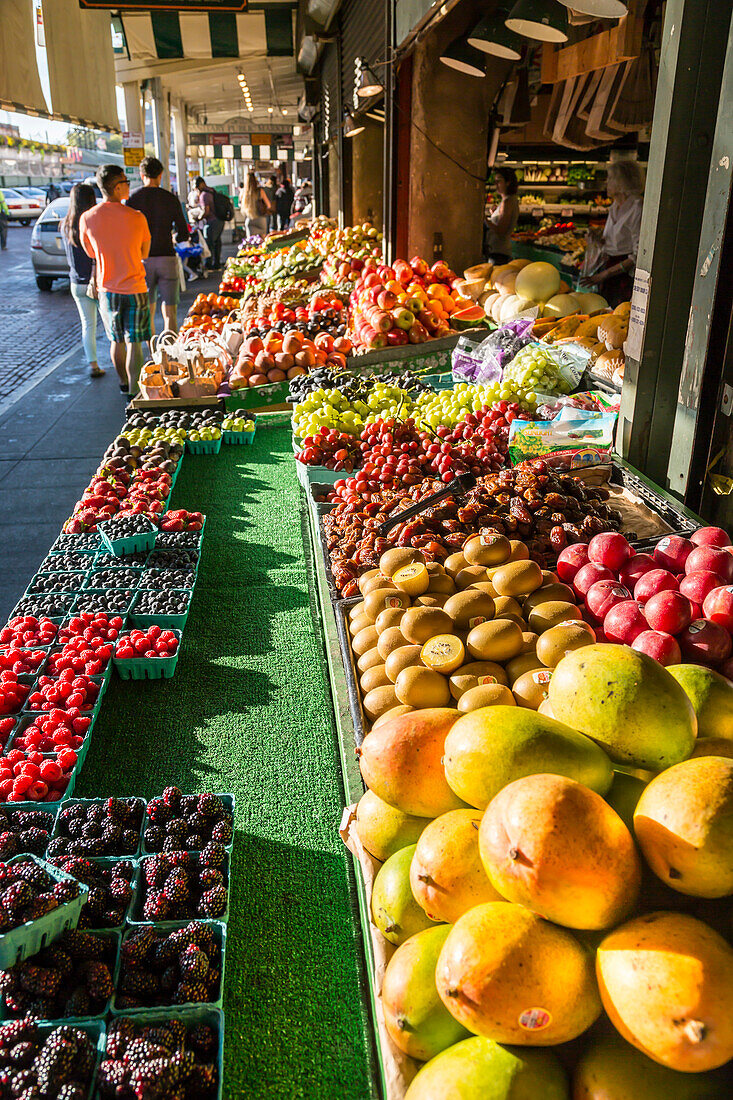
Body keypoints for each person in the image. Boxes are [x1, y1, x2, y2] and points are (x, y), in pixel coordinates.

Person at [80, 164, 151, 396]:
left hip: (107, 289)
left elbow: (90, 252)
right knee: (135, 343)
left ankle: (122, 382)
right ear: (118, 186)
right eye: (126, 182)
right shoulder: (137, 217)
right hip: (135, 288)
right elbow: (144, 253)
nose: (129, 186)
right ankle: (133, 391)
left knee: (116, 341)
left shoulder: (87, 218)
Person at [126, 155, 190, 334]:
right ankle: (170, 351)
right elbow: (183, 232)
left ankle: (153, 353)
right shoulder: (170, 198)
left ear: (141, 174)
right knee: (170, 310)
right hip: (167, 257)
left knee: (148, 309)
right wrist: (176, 239)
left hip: (142, 260)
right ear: (160, 175)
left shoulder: (133, 200)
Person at [584, 159, 644, 308]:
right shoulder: (615, 206)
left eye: (610, 178)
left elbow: (637, 255)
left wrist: (604, 275)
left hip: (624, 275)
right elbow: (614, 242)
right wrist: (596, 240)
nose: (607, 182)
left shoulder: (637, 207)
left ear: (622, 182)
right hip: (609, 268)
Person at [60, 183, 105, 379]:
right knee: (109, 324)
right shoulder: (91, 222)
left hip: (76, 282)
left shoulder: (65, 224)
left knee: (88, 325)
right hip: (96, 281)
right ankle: (120, 362)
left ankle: (93, 364)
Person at [484, 167, 519, 265]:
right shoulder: (509, 200)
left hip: (499, 253)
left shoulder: (507, 202)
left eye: (499, 181)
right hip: (499, 251)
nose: (496, 185)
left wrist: (484, 219)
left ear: (508, 182)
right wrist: (494, 215)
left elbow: (501, 231)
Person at [194, 176, 223, 271]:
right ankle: (217, 264)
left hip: (211, 221)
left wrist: (198, 218)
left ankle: (209, 264)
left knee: (209, 243)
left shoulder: (204, 195)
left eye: (197, 186)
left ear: (201, 184)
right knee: (217, 242)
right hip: (219, 220)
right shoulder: (212, 191)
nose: (197, 188)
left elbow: (206, 211)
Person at [240, 171, 271, 239]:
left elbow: (241, 206)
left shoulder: (243, 192)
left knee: (251, 244)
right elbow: (269, 205)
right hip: (260, 219)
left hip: (249, 219)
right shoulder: (260, 191)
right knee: (262, 244)